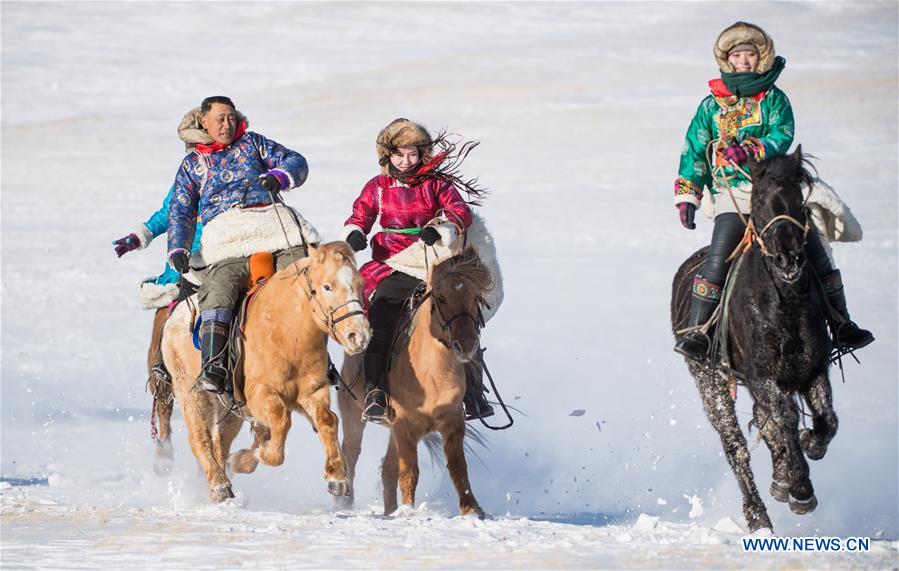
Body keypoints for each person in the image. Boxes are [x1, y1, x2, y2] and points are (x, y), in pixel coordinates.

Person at [672, 22, 873, 359]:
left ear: (761, 58)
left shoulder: (775, 99)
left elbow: (783, 133)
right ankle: (700, 333)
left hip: (775, 190)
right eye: (737, 55)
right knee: (718, 260)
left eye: (750, 54)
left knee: (815, 253)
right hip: (734, 194)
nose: (743, 61)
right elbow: (694, 149)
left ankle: (841, 324)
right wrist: (687, 196)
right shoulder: (710, 106)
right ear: (727, 60)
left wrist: (751, 150)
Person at [340, 118, 494, 425]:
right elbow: (361, 215)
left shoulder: (436, 184)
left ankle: (474, 393)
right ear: (387, 155)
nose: (406, 161)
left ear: (422, 154)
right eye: (399, 155)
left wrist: (441, 227)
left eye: (413, 154)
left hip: (435, 261)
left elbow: (459, 211)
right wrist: (355, 232)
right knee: (381, 315)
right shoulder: (377, 187)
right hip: (395, 263)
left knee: (462, 315)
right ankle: (376, 392)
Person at [167, 95, 319, 394]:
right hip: (229, 236)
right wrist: (179, 248)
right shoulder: (192, 165)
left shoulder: (253, 143)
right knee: (219, 287)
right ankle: (215, 365)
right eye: (220, 119)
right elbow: (181, 208)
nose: (227, 124)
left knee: (305, 277)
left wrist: (279, 177)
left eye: (231, 118)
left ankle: (317, 360)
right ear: (204, 122)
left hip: (273, 225)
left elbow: (296, 161)